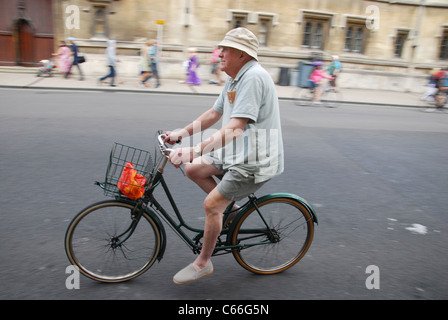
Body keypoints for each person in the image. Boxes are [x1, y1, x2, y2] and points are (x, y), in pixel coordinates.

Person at [163, 27, 284, 285]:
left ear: (241, 53)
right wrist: (181, 134)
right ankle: (233, 212)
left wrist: (194, 150)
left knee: (212, 204)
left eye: (225, 49)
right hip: (236, 152)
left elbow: (235, 128)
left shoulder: (253, 78)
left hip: (253, 160)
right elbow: (214, 114)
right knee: (193, 169)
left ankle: (203, 263)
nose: (219, 54)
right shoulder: (235, 78)